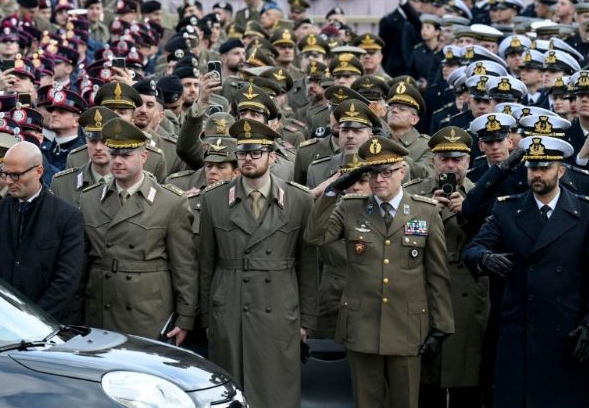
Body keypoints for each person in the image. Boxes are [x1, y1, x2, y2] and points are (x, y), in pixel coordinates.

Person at [306, 136, 454, 408]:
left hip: (407, 325)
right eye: (372, 173)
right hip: (363, 324)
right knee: (366, 401)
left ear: (402, 172)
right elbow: (315, 236)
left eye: (386, 172)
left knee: (405, 400)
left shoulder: (425, 211)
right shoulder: (351, 208)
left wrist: (441, 326)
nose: (379, 180)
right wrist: (331, 193)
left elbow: (437, 275)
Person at [463, 136, 589, 408]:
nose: (537, 174)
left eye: (544, 168)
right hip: (520, 327)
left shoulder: (584, 211)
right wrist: (485, 257)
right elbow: (474, 248)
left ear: (561, 170)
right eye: (532, 168)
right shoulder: (508, 209)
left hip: (566, 329)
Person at [197, 119, 316, 407]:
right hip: (231, 305)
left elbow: (309, 265)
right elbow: (205, 264)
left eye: (256, 152)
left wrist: (306, 319)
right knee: (232, 390)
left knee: (276, 389)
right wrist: (208, 316)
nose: (248, 159)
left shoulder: (299, 199)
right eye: (242, 153)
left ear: (272, 156)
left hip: (279, 307)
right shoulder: (214, 200)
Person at [76, 118, 197, 344]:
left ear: (143, 157)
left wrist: (185, 318)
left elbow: (185, 267)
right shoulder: (90, 198)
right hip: (101, 307)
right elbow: (82, 263)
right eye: (114, 154)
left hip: (146, 312)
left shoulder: (170, 202)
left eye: (126, 155)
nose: (118, 161)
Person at [403, 127, 488, 408]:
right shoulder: (413, 194)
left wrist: (468, 213)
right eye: (443, 159)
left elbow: (492, 241)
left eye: (457, 159)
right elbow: (400, 241)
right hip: (424, 289)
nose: (450, 166)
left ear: (468, 161)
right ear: (432, 161)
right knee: (426, 379)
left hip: (468, 293)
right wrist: (431, 212)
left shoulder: (482, 195)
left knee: (467, 376)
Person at [0, 142, 84, 322]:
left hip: (49, 326)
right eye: (6, 174)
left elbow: (66, 280)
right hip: (0, 322)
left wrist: (34, 319)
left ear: (39, 172)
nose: (8, 181)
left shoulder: (67, 217)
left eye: (16, 175)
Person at [51, 106, 118, 206]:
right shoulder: (62, 184)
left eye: (105, 141)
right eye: (92, 141)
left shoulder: (129, 181)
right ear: (86, 141)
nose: (98, 147)